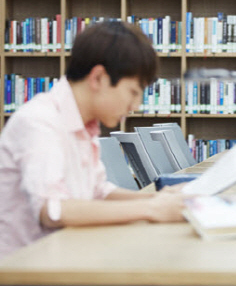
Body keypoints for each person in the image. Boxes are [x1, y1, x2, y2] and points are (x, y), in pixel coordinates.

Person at [0, 22, 187, 259]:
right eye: (133, 92)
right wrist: (151, 209)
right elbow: (53, 210)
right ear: (98, 78)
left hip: (68, 255)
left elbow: (97, 191)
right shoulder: (40, 122)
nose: (136, 106)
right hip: (26, 268)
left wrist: (158, 198)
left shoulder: (84, 124)